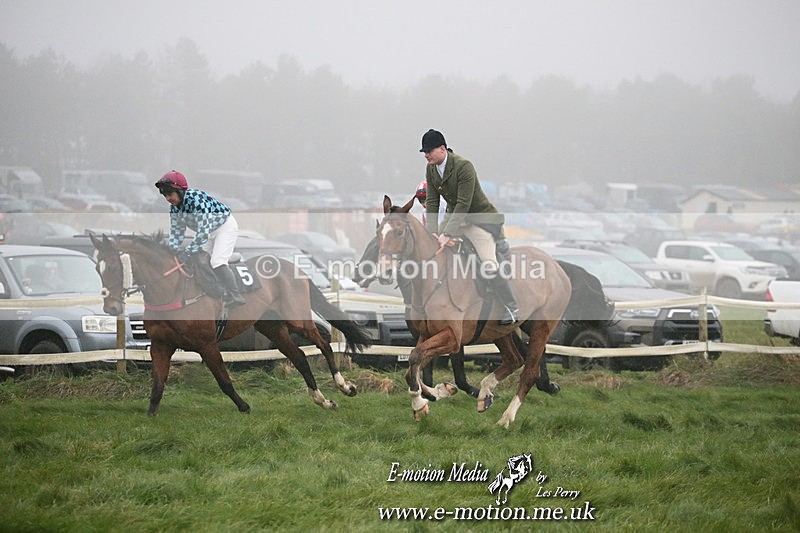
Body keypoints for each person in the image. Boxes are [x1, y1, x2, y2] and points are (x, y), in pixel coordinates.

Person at [419, 129, 518, 324]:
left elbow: (463, 204)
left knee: (489, 265)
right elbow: (432, 200)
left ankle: (511, 306)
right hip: (455, 219)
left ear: (442, 148)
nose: (426, 155)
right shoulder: (431, 169)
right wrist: (432, 230)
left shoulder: (464, 167)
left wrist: (446, 233)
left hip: (478, 221)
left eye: (429, 151)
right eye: (424, 152)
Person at [154, 170, 246, 307]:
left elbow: (203, 232)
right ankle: (218, 292)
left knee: (217, 261)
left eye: (170, 194)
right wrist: (172, 250)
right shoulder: (174, 209)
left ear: (180, 191)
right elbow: (176, 231)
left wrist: (187, 252)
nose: (168, 198)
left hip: (224, 227)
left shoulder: (196, 200)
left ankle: (236, 295)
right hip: (209, 231)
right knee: (201, 260)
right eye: (165, 195)